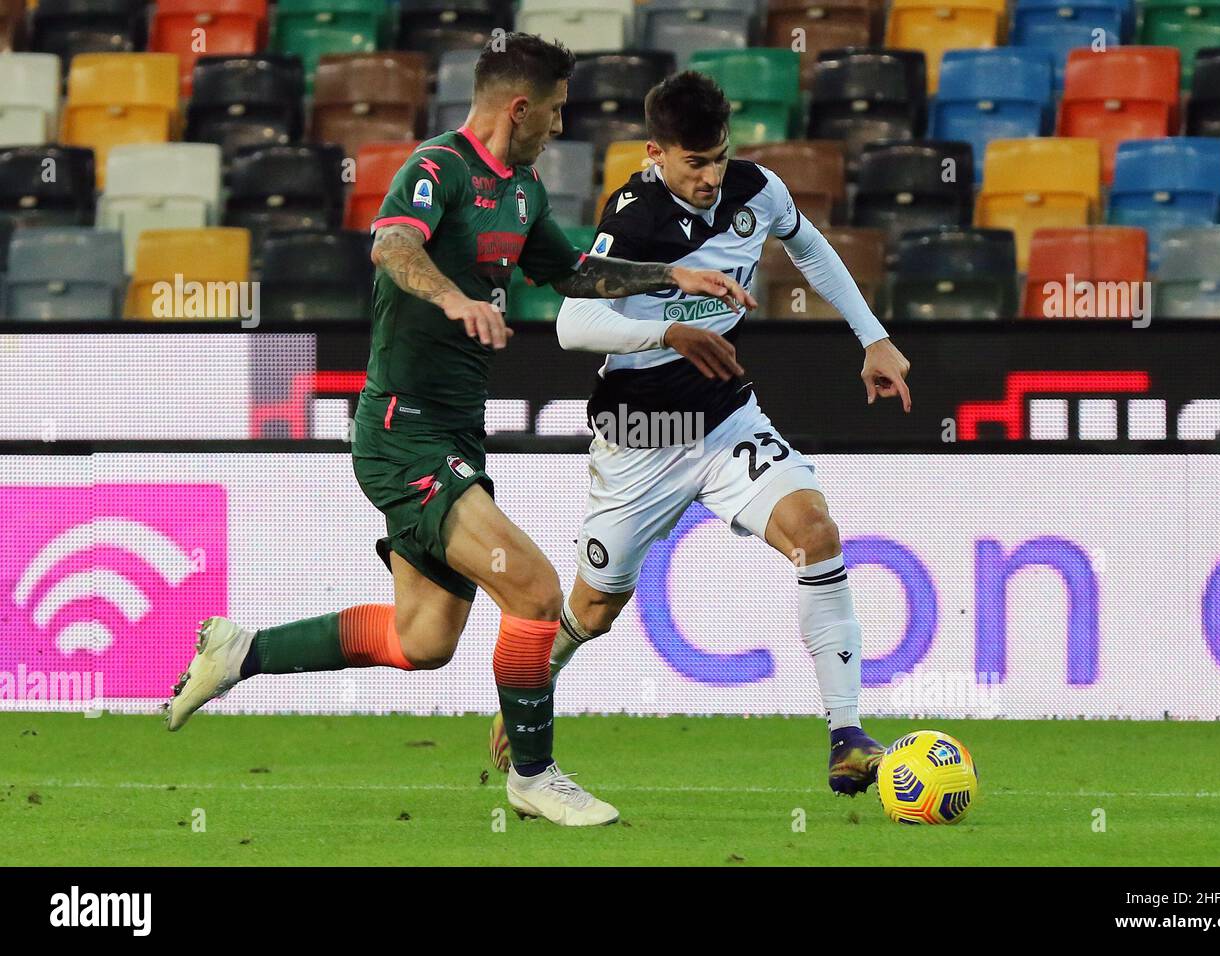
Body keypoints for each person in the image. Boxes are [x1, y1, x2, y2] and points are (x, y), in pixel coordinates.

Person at [164, 36, 756, 828]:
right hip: (402, 429)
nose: (558, 124)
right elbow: (393, 245)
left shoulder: (522, 189)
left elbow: (572, 273)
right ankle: (535, 775)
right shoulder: (439, 168)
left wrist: (670, 278)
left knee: (423, 638)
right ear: (520, 107)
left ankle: (241, 653)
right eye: (552, 111)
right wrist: (452, 298)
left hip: (453, 433)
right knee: (537, 589)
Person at [489, 70, 913, 796]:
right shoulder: (633, 214)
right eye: (695, 162)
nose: (712, 176)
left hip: (722, 417)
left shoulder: (757, 191)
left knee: (817, 532)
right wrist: (672, 330)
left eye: (719, 157)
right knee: (593, 611)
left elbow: (809, 247)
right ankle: (535, 687)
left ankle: (847, 737)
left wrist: (872, 338)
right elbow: (571, 322)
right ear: (656, 152)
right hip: (640, 431)